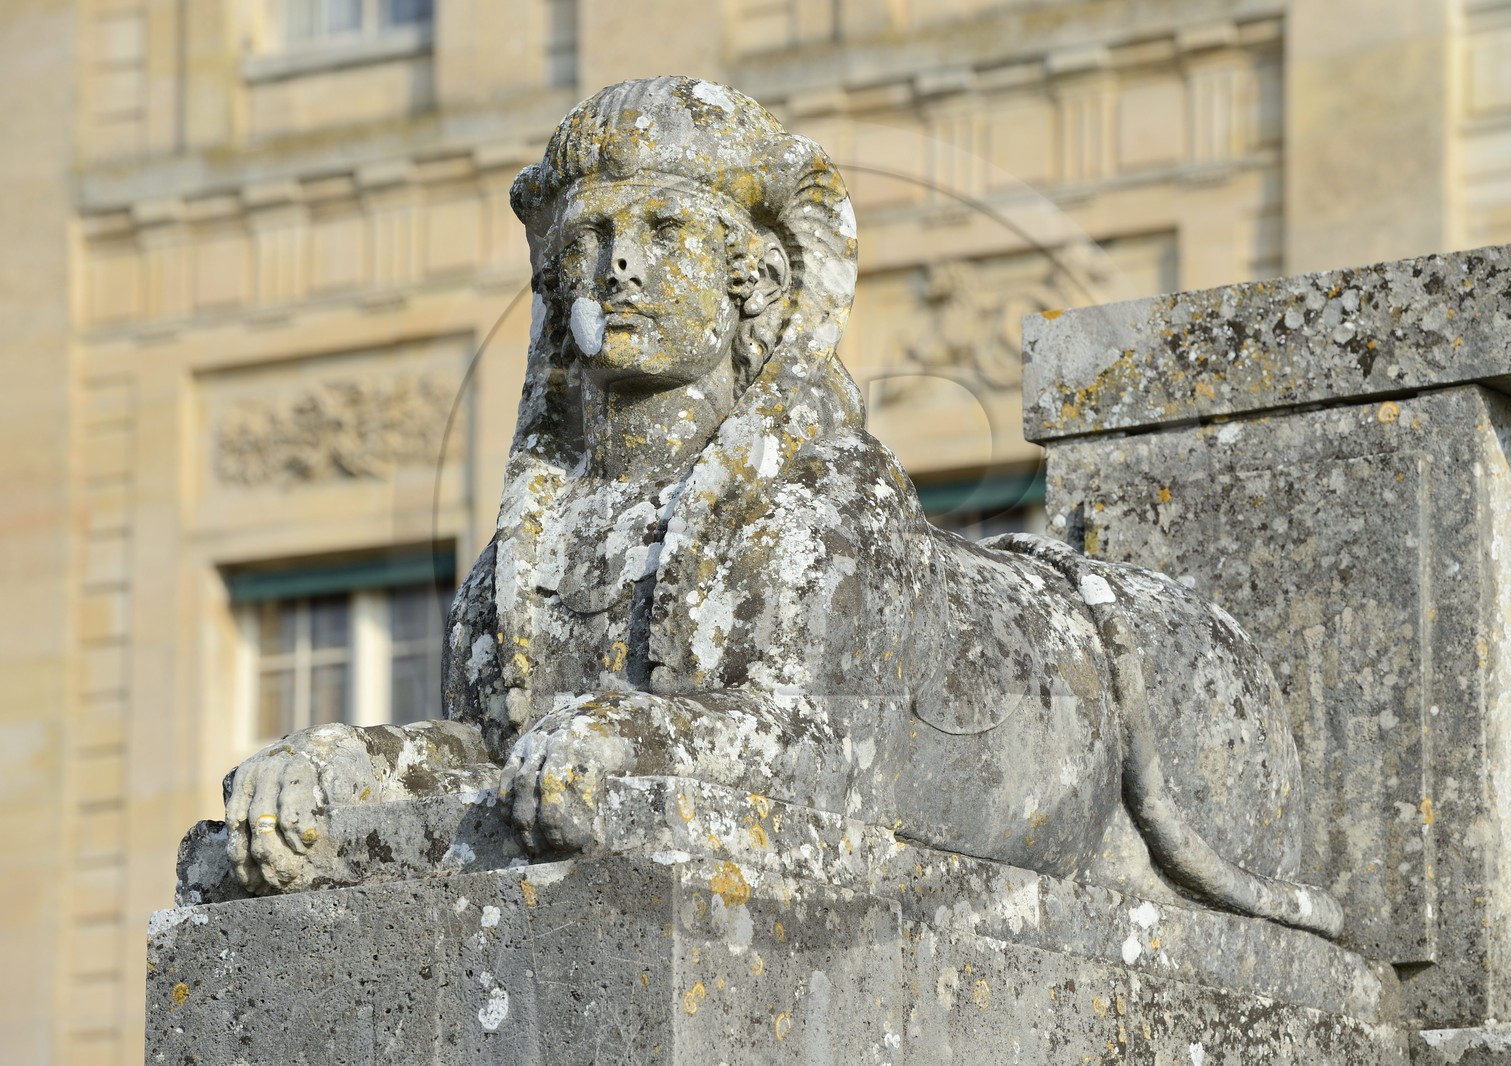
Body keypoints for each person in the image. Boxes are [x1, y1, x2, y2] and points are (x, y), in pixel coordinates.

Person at [222, 77, 1340, 937]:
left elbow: (815, 737)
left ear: (753, 273)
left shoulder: (808, 509)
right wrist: (346, 762)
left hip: (1119, 683)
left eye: (665, 233)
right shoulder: (523, 560)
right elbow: (497, 755)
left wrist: (633, 735)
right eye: (589, 242)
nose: (617, 267)